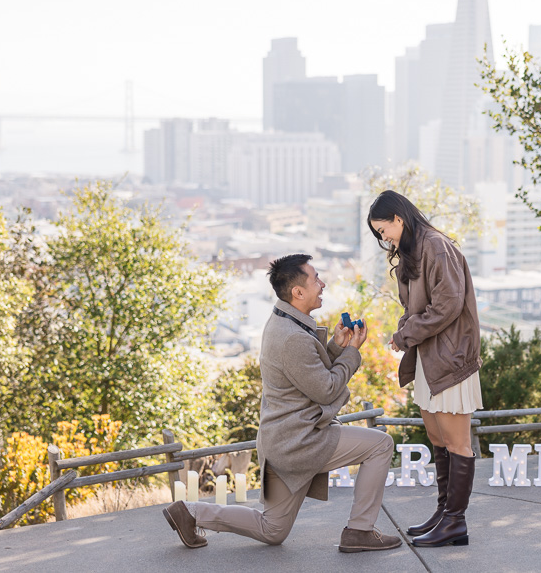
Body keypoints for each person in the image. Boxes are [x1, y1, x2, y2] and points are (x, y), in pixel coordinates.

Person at [162, 253, 401, 554]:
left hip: (280, 445)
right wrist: (352, 351)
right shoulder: (292, 337)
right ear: (298, 292)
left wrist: (336, 347)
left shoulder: (283, 321)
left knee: (272, 530)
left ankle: (191, 512)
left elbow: (305, 372)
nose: (322, 284)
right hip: (302, 443)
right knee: (380, 445)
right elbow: (326, 390)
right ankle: (360, 531)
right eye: (316, 279)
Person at [367, 190, 482, 548]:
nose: (382, 237)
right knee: (437, 439)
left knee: (457, 442)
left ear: (398, 218)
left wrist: (408, 334)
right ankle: (444, 512)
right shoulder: (413, 252)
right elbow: (415, 306)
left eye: (383, 229)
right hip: (427, 360)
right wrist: (404, 332)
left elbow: (449, 303)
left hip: (449, 359)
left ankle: (455, 523)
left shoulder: (436, 245)